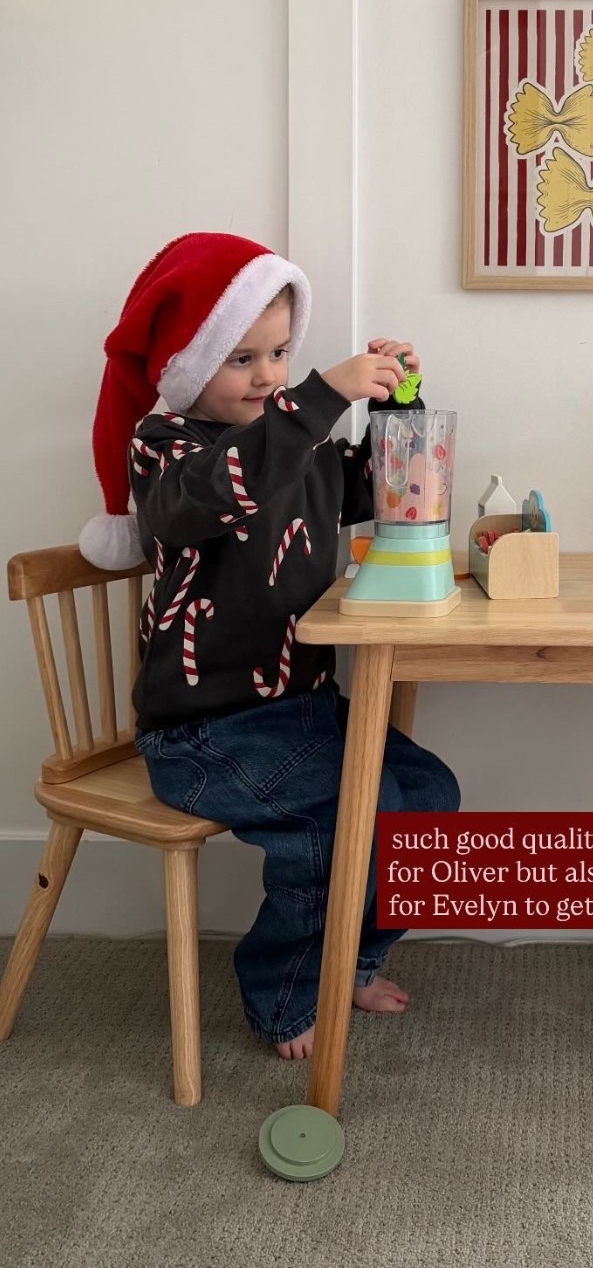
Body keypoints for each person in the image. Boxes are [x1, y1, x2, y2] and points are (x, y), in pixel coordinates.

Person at [78, 231, 461, 1060]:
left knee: (426, 794)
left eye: (281, 353)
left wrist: (398, 406)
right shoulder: (168, 447)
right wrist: (320, 394)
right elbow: (218, 494)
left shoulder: (299, 443)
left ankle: (352, 957)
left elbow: (374, 490)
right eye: (240, 358)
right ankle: (285, 996)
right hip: (203, 732)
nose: (268, 376)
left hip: (300, 709)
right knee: (334, 820)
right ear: (189, 366)